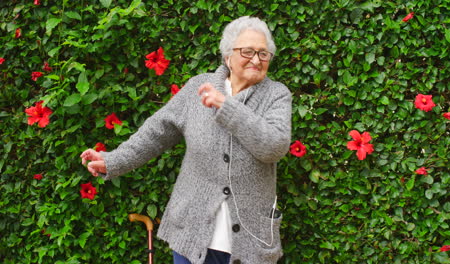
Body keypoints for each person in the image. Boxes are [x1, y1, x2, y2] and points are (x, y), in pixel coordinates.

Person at [80, 16, 292, 264]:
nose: (256, 59)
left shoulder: (276, 95)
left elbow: (274, 147)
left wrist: (227, 107)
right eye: (247, 51)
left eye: (263, 54)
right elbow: (156, 133)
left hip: (251, 245)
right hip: (191, 236)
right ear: (227, 56)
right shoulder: (198, 88)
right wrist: (113, 160)